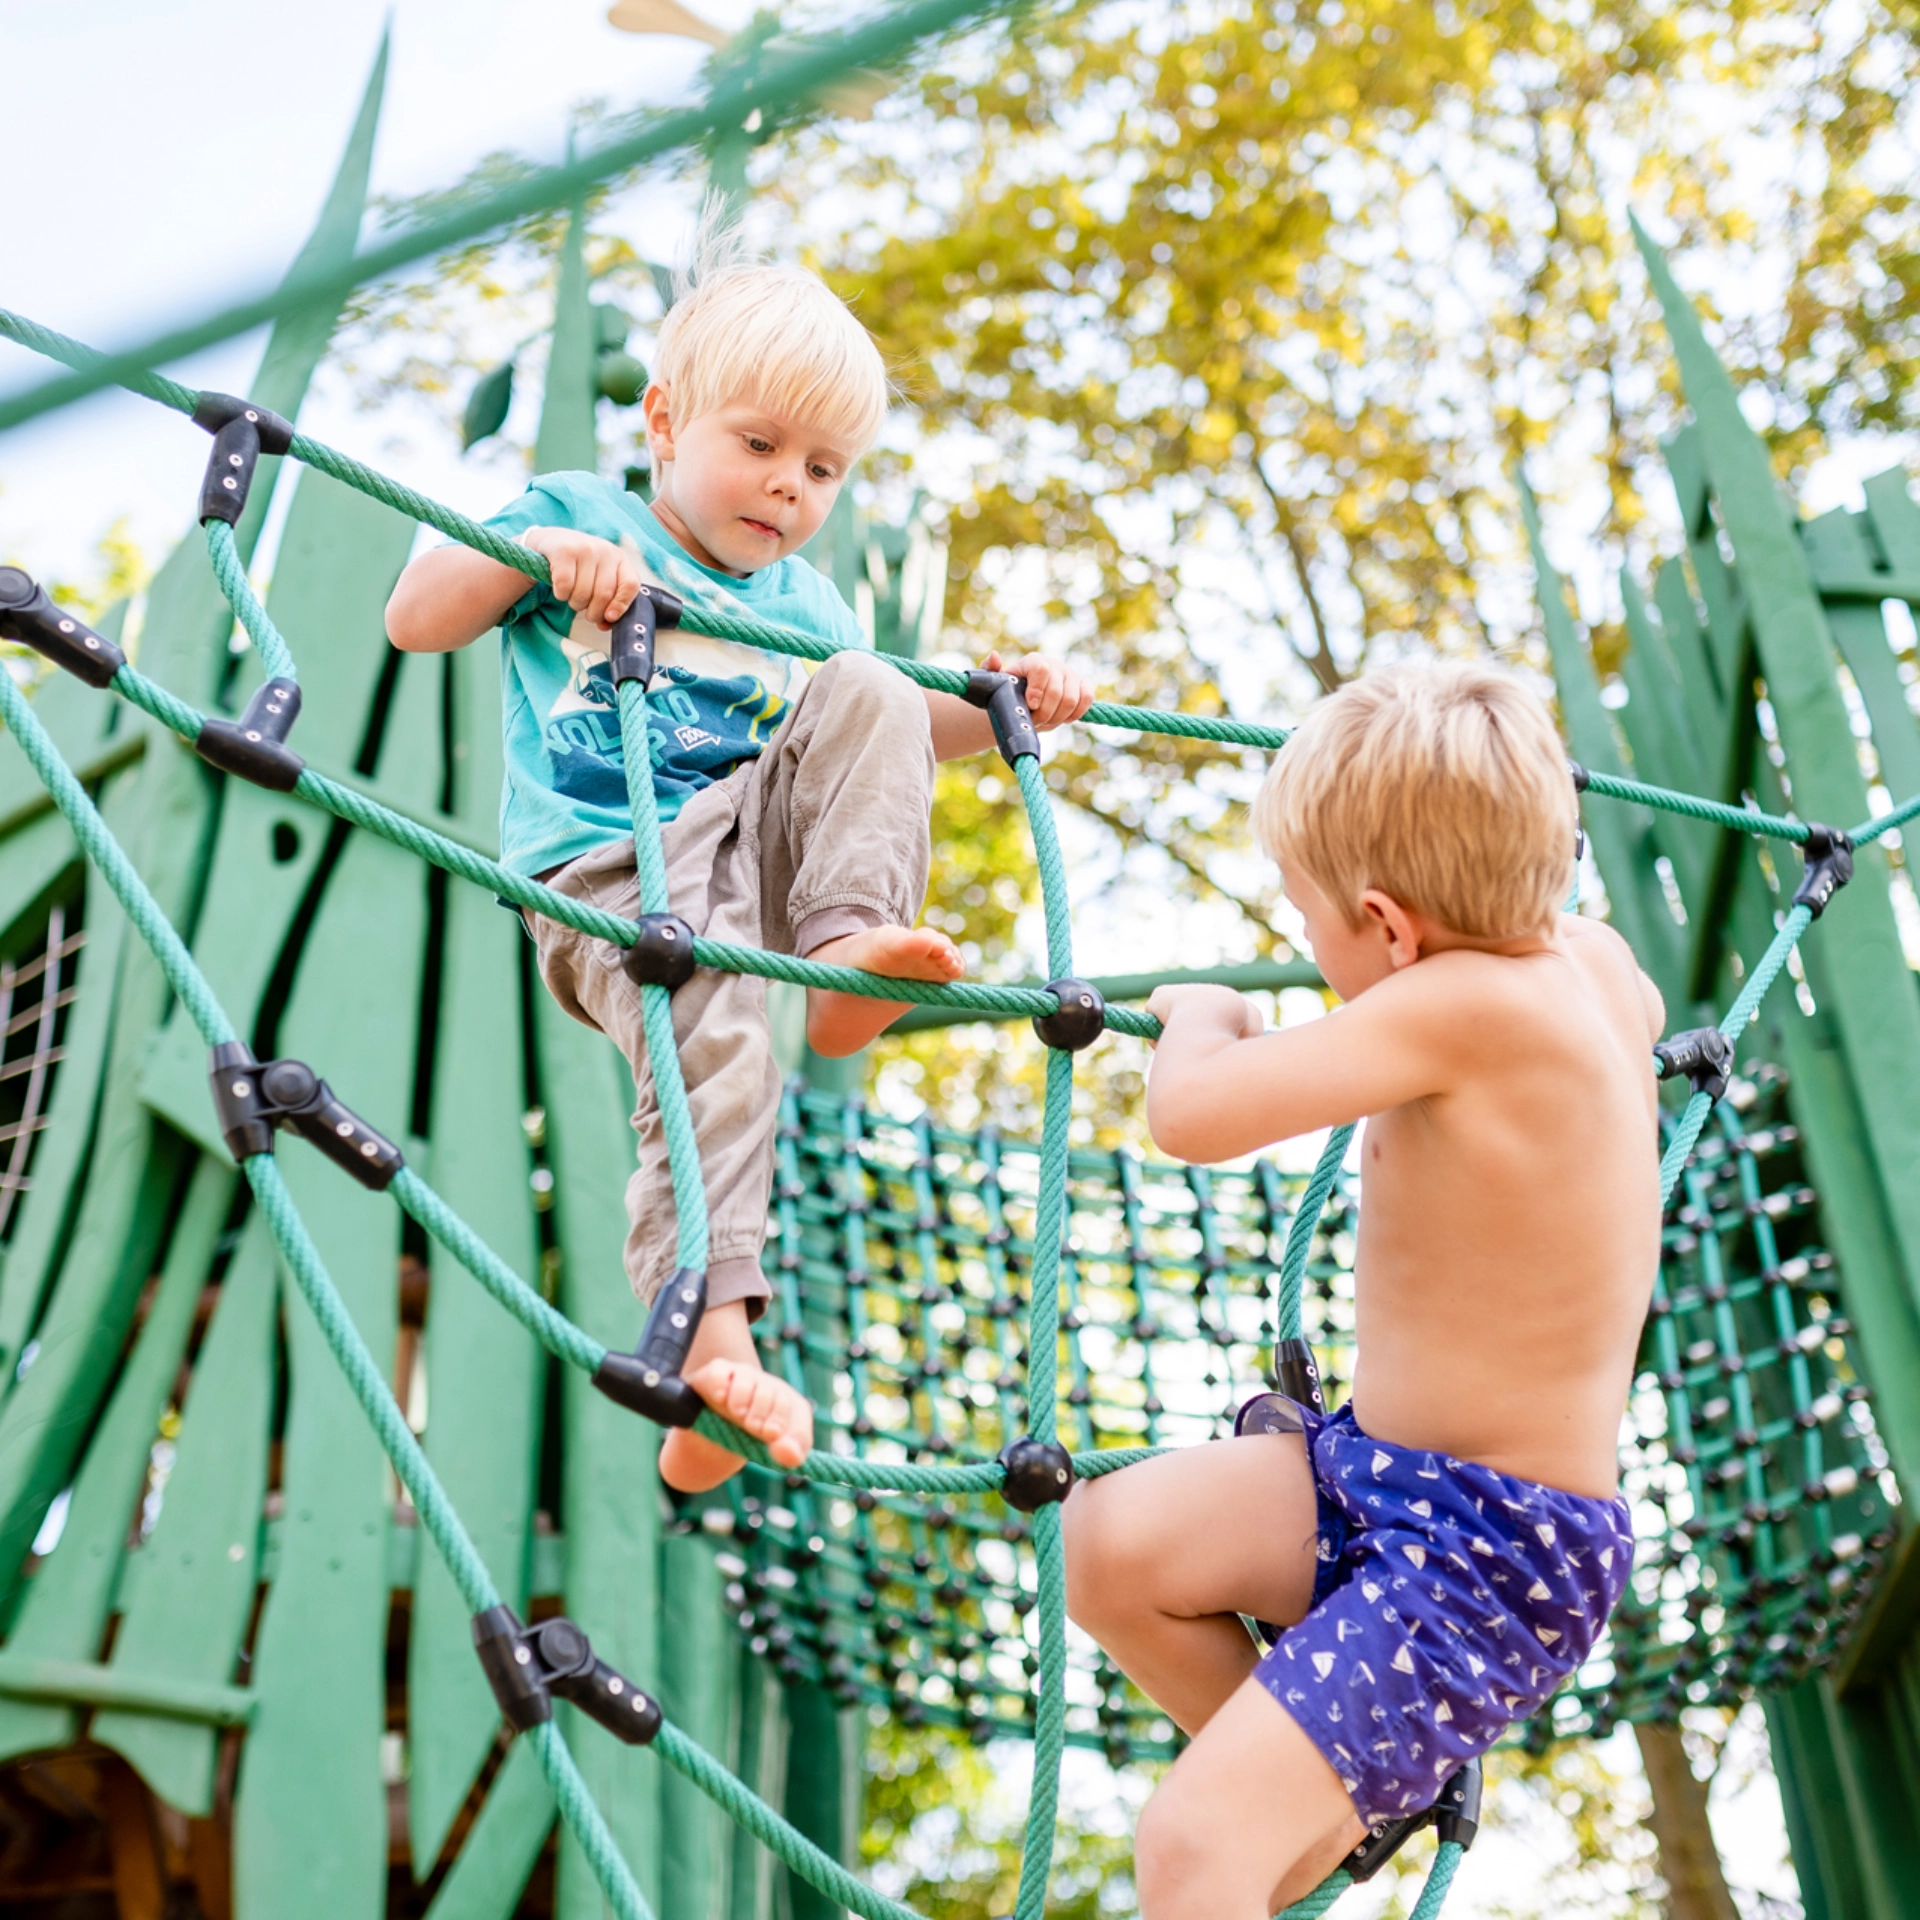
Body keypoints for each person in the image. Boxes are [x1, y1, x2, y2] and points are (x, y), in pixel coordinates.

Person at [385, 220, 1092, 1492]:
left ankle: (843, 956)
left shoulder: (806, 609)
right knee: (711, 1049)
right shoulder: (582, 515)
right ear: (665, 423)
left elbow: (890, 734)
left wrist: (1002, 704)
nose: (788, 488)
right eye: (758, 446)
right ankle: (710, 1355)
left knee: (872, 681)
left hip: (752, 865)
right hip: (618, 874)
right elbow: (415, 615)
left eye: (823, 470)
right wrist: (537, 562)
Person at [1062, 663, 1660, 1915]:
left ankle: (1286, 1814)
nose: (1305, 950)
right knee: (1105, 1545)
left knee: (1189, 1852)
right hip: (1372, 1473)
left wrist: (1208, 1014)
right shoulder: (1591, 964)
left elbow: (1196, 1115)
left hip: (1493, 1555)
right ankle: (1338, 1801)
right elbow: (1642, 1012)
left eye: (1305, 921)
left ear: (1389, 926)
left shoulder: (1464, 1006)